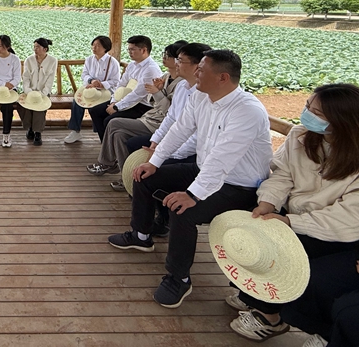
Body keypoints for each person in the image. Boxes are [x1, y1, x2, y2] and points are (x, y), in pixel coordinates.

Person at [107, 49, 273, 308]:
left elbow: (222, 158)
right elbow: (179, 129)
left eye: (201, 70)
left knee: (182, 210)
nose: (196, 72)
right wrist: (154, 162)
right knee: (145, 177)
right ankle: (141, 235)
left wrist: (192, 194)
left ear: (222, 78)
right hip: (204, 170)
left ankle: (179, 278)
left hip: (238, 185)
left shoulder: (247, 110)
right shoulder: (201, 96)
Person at [227, 84, 359, 346]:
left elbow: (350, 217)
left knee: (288, 258)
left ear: (342, 121)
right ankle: (258, 298)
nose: (307, 115)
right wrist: (268, 202)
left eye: (317, 113)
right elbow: (283, 174)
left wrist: (291, 222)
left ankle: (275, 317)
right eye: (307, 106)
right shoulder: (301, 135)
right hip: (294, 215)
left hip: (336, 232)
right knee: (252, 235)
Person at [87, 41, 193, 182]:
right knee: (117, 133)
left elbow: (167, 110)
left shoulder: (181, 83)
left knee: (113, 122)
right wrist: (115, 101)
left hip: (155, 120)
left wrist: (157, 93)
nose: (164, 58)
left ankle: (108, 164)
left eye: (169, 56)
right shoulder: (165, 76)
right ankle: (126, 175)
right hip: (151, 116)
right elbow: (145, 96)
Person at [87, 35, 163, 141]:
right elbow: (121, 84)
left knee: (109, 120)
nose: (129, 52)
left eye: (132, 49)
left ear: (144, 50)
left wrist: (117, 107)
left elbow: (137, 94)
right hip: (126, 100)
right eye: (129, 49)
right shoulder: (132, 65)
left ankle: (110, 144)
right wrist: (114, 101)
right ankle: (106, 143)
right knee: (95, 111)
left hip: (142, 105)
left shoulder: (151, 69)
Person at [64, 36, 121, 144]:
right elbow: (84, 74)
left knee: (96, 107)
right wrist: (91, 81)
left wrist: (102, 84)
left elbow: (116, 80)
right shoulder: (89, 59)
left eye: (98, 45)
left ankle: (100, 131)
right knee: (77, 102)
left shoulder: (113, 62)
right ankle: (75, 131)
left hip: (106, 92)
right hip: (90, 90)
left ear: (105, 47)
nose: (94, 48)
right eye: (93, 45)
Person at [19, 38, 57, 146]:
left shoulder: (52, 61)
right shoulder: (29, 60)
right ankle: (30, 128)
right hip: (29, 91)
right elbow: (26, 77)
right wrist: (28, 91)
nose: (35, 49)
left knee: (39, 107)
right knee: (23, 105)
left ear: (45, 49)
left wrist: (42, 93)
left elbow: (50, 80)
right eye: (34, 47)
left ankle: (38, 132)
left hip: (43, 92)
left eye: (38, 47)